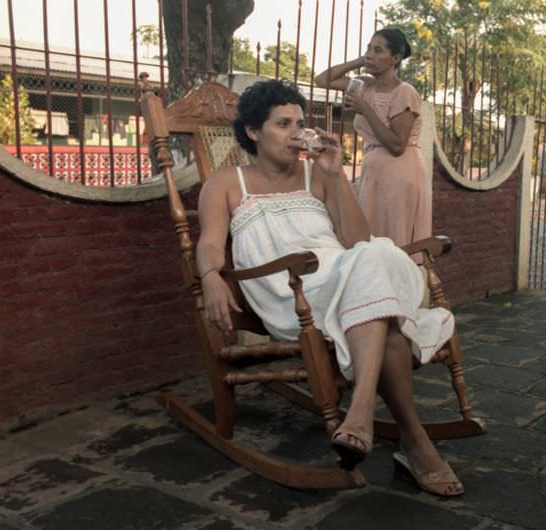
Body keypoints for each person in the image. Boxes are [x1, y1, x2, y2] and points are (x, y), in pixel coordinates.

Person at [195, 79, 464, 497]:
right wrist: (211, 277)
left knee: (374, 264)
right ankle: (412, 441)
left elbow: (357, 241)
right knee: (385, 308)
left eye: (300, 123)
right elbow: (210, 243)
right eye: (283, 124)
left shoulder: (316, 175)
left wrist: (336, 177)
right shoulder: (228, 183)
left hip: (348, 277)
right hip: (293, 293)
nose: (296, 132)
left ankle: (361, 418)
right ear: (252, 131)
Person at [315, 28, 430, 249]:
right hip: (373, 171)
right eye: (369, 48)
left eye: (378, 50)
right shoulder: (363, 85)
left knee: (396, 239)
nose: (371, 54)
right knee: (370, 237)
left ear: (395, 59)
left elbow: (397, 145)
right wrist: (360, 61)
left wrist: (366, 109)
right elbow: (322, 80)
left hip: (400, 172)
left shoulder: (404, 92)